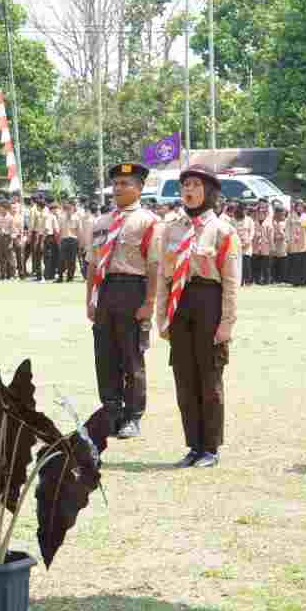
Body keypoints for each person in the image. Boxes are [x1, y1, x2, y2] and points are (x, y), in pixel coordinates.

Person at [155, 165, 241, 468]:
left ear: (210, 192)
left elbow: (231, 282)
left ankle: (210, 447)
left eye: (196, 185)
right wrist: (161, 317)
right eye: (185, 185)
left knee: (209, 377)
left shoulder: (223, 230)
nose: (189, 191)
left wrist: (227, 323)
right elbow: (164, 276)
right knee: (184, 378)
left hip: (209, 302)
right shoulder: (171, 228)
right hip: (180, 304)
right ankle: (193, 444)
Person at [86, 162, 160, 440]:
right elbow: (93, 264)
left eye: (125, 184)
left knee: (132, 357)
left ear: (139, 188)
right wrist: (90, 300)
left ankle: (132, 416)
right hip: (106, 291)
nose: (118, 188)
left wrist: (149, 302)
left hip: (133, 290)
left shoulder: (149, 222)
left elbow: (154, 266)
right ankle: (111, 411)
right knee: (104, 355)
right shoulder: (101, 222)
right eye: (116, 184)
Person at [58, 199, 80, 283]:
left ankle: (70, 277)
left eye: (70, 209)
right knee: (62, 259)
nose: (69, 211)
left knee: (72, 260)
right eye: (67, 209)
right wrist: (59, 240)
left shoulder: (76, 218)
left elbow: (79, 230)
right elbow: (59, 229)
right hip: (64, 239)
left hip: (73, 240)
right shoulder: (61, 218)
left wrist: (80, 241)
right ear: (65, 210)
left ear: (73, 209)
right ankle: (60, 276)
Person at [252, 201, 273, 286]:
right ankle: (257, 279)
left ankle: (266, 280)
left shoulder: (268, 223)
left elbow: (270, 237)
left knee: (266, 265)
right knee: (257, 264)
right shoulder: (254, 222)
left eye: (262, 213)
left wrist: (272, 247)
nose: (260, 214)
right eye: (259, 213)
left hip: (265, 246)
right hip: (256, 246)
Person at [271, 202, 288, 284]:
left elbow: (285, 235)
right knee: (275, 262)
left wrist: (281, 234)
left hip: (283, 245)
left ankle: (282, 279)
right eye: (281, 213)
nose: (282, 215)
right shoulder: (272, 222)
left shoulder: (285, 222)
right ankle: (275, 278)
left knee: (282, 262)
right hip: (274, 245)